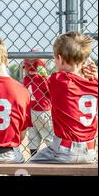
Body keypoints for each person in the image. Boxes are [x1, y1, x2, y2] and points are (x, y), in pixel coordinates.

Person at [30, 32, 98, 163]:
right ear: (83, 61)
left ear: (60, 59)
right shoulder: (95, 84)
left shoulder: (59, 80)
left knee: (30, 165)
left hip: (63, 150)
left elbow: (50, 84)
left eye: (55, 58)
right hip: (89, 152)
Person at [22, 53, 54, 156]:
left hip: (31, 112)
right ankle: (54, 156)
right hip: (43, 111)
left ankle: (33, 157)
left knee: (33, 138)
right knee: (49, 137)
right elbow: (51, 93)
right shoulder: (42, 79)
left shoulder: (26, 79)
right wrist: (45, 77)